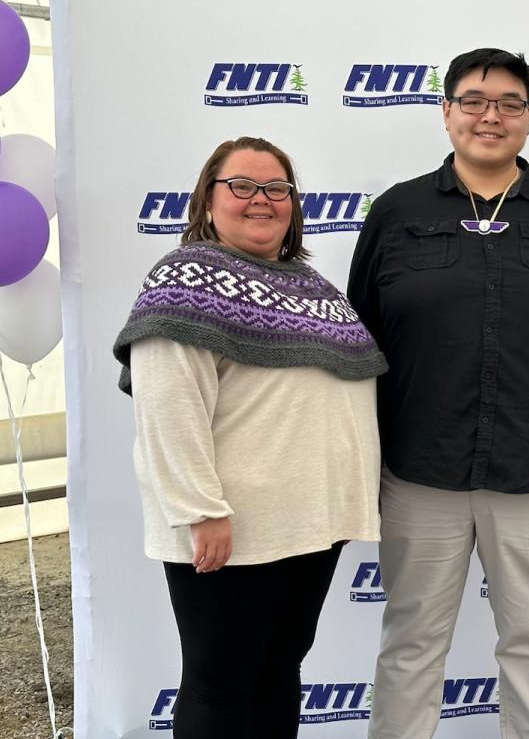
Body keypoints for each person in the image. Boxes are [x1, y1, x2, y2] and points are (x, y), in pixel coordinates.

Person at [347, 48, 529, 739]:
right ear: (446, 113)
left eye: (509, 103)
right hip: (417, 474)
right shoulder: (396, 212)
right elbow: (357, 341)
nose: (490, 115)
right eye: (473, 100)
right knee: (411, 645)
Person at [113, 137, 387, 739]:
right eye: (241, 186)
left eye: (277, 188)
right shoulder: (184, 279)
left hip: (310, 526)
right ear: (208, 200)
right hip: (231, 527)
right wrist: (198, 509)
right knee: (221, 681)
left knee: (278, 669)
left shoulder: (309, 284)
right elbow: (168, 405)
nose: (261, 199)